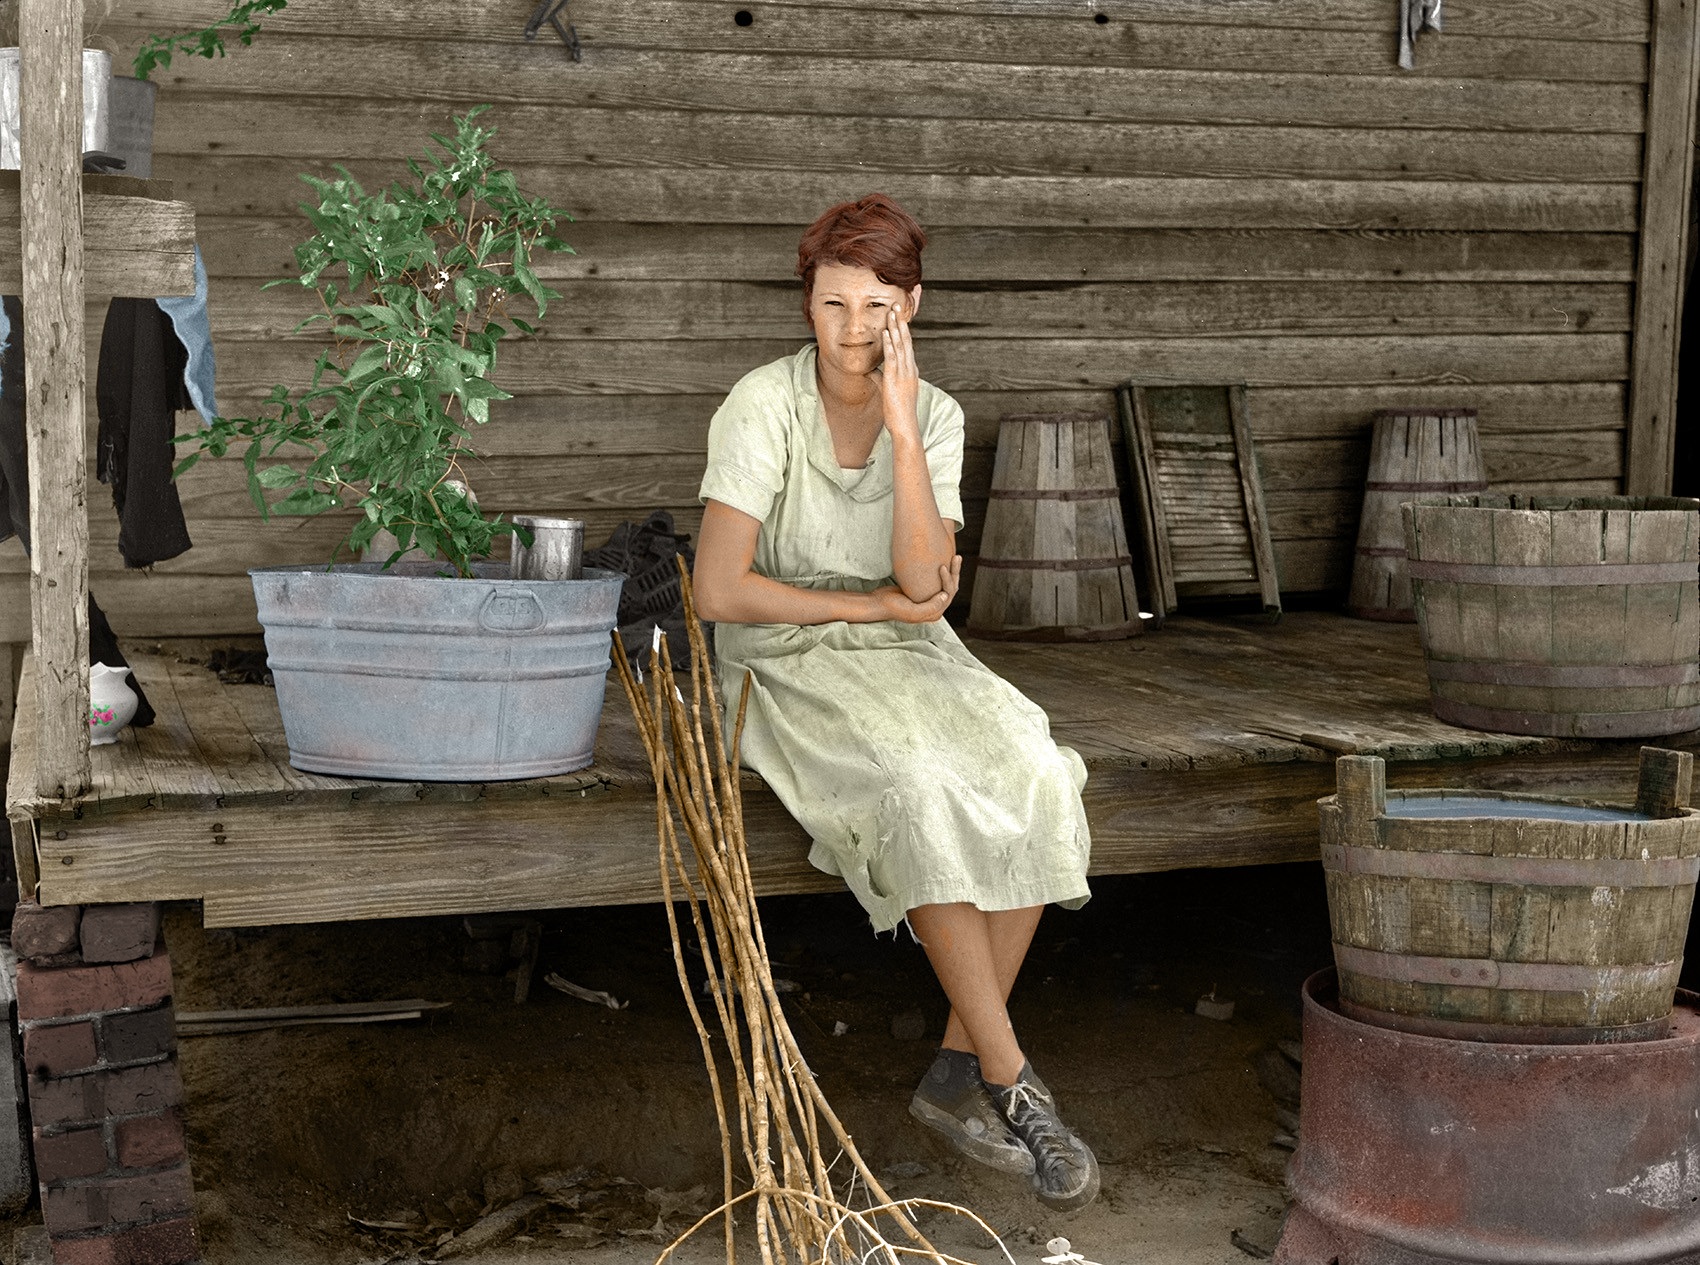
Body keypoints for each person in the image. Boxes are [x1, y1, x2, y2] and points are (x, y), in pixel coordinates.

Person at [691, 194, 1099, 1212]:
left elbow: (924, 587)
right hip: (782, 659)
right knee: (916, 786)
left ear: (909, 308)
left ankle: (959, 1072)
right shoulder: (760, 404)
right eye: (833, 304)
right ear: (807, 306)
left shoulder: (938, 414)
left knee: (1033, 765)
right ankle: (1007, 1077)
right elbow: (717, 588)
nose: (852, 329)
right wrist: (863, 602)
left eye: (876, 306)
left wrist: (906, 440)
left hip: (909, 651)